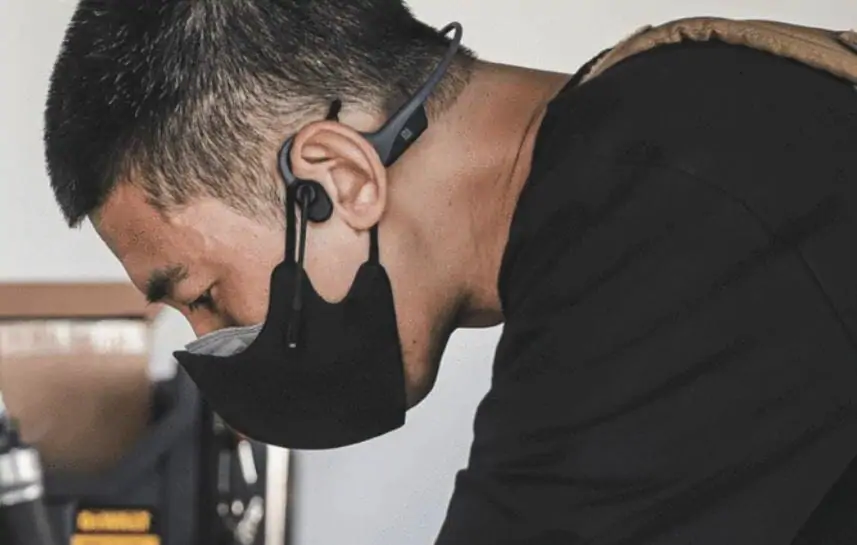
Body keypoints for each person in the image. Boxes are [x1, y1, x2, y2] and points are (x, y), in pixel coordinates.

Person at [43, 1, 857, 543]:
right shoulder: (680, 137)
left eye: (204, 296)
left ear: (337, 180)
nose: (218, 351)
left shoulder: (666, 209)